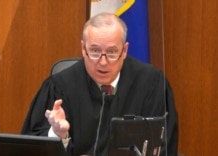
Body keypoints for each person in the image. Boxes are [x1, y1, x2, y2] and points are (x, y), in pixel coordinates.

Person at [21, 12, 178, 156]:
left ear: (124, 51)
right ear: (83, 48)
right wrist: (57, 134)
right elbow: (32, 147)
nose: (103, 62)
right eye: (95, 51)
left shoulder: (151, 85)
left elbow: (163, 146)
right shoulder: (59, 88)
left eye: (111, 52)